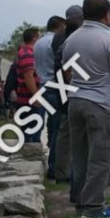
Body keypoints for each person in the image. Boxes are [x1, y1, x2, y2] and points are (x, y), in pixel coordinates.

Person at [62, 0, 110, 218]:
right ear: (106, 14)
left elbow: (67, 72)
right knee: (102, 158)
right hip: (103, 105)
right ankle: (94, 207)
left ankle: (80, 201)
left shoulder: (72, 39)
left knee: (80, 156)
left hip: (76, 102)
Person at [51, 5, 83, 184]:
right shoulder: (72, 40)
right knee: (66, 131)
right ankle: (64, 171)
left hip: (60, 86)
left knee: (63, 131)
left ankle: (62, 170)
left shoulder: (59, 37)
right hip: (68, 87)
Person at [36, 16, 66, 175]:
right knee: (57, 128)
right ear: (58, 27)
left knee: (40, 124)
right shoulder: (55, 42)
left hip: (40, 86)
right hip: (54, 86)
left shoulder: (38, 43)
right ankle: (54, 167)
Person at [16, 28, 42, 143]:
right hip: (28, 99)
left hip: (27, 98)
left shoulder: (26, 52)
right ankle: (29, 150)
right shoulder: (27, 54)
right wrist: (36, 96)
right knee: (30, 130)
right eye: (39, 37)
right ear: (34, 39)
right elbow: (28, 76)